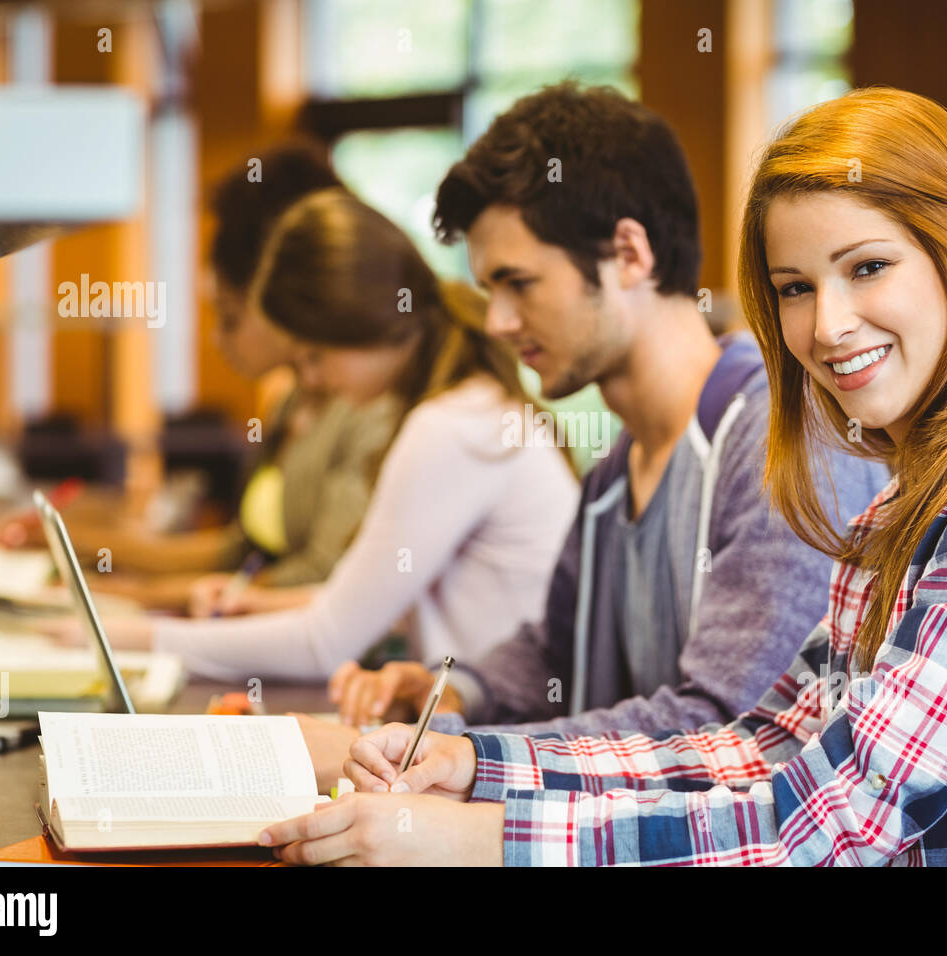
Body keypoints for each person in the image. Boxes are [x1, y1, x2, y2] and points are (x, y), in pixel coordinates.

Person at [260, 87, 947, 866]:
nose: (827, 326)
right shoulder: (909, 508)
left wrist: (480, 838)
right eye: (793, 287)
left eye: (868, 267)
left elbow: (834, 822)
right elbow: (765, 746)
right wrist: (475, 766)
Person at [320, 83, 888, 761]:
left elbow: (727, 730)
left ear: (628, 255)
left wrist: (447, 751)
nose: (498, 322)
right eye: (488, 292)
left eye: (518, 283)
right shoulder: (617, 467)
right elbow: (555, 653)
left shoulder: (782, 440)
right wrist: (453, 691)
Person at [89, 187, 579, 686]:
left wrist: (122, 638)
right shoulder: (468, 407)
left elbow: (325, 644)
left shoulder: (453, 428)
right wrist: (262, 602)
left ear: (364, 326)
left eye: (314, 356)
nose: (313, 381)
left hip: (494, 726)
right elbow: (367, 600)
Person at [0, 143, 399, 612]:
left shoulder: (369, 407)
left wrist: (126, 595)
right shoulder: (291, 403)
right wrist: (79, 543)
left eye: (229, 317)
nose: (216, 339)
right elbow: (239, 552)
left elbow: (319, 580)